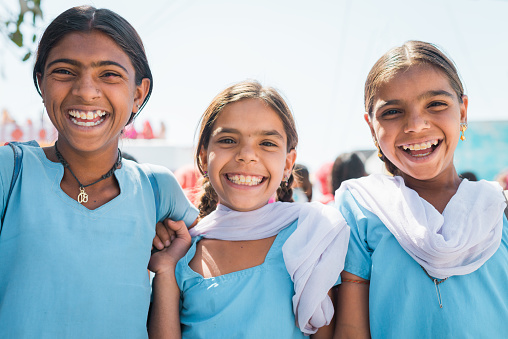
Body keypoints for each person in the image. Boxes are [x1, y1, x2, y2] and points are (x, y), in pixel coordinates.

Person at [0, 6, 198, 338]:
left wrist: (167, 268)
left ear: (138, 93)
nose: (85, 91)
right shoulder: (11, 174)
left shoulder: (156, 189)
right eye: (64, 71)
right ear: (41, 82)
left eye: (109, 74)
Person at [148, 80, 350, 338]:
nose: (246, 155)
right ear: (202, 156)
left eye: (267, 143)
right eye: (228, 140)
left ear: (288, 164)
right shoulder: (183, 251)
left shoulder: (314, 236)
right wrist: (165, 270)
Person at [333, 41, 508, 338]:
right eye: (392, 112)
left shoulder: (498, 208)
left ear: (462, 110)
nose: (416, 125)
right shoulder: (361, 208)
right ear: (371, 126)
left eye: (436, 104)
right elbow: (351, 329)